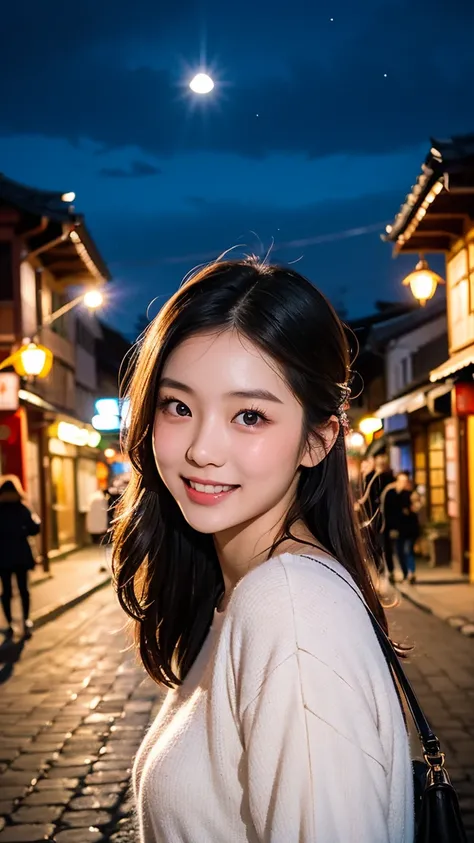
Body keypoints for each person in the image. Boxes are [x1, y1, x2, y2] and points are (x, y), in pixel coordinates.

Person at [112, 259, 413, 843]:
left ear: (317, 440)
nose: (202, 448)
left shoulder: (291, 607)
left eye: (249, 416)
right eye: (179, 406)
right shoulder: (247, 589)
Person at [0, 475, 40, 639]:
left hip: (2, 555)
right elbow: (34, 528)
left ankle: (9, 624)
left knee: (6, 591)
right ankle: (26, 620)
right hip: (21, 554)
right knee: (24, 589)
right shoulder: (22, 508)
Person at [381, 471, 417, 583]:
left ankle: (411, 573)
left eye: (405, 481)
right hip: (398, 528)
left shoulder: (409, 494)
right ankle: (405, 573)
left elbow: (414, 508)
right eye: (401, 481)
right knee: (400, 551)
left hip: (410, 528)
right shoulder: (391, 493)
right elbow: (388, 511)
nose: (403, 483)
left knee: (408, 550)